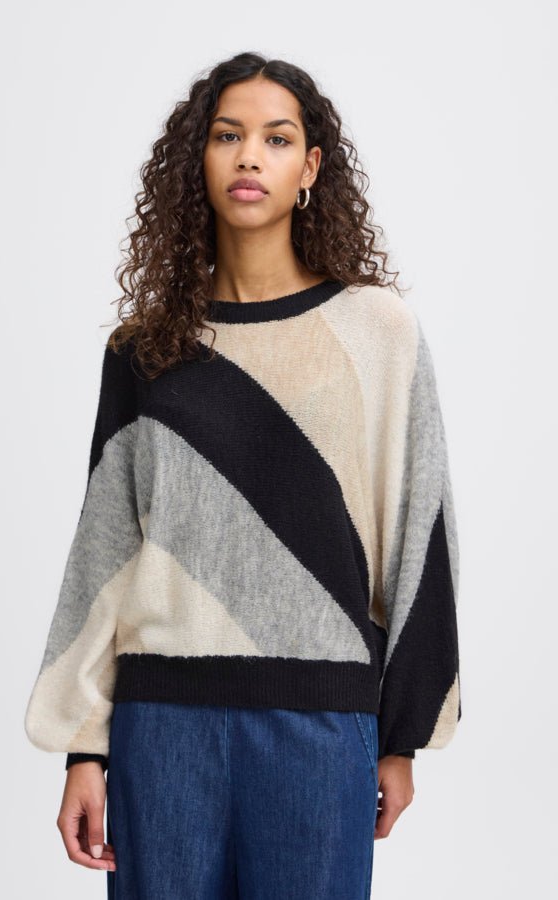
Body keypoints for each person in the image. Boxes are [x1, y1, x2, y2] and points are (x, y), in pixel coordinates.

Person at [24, 51, 462, 899]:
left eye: (277, 138)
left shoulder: (379, 333)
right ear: (198, 160)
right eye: (227, 136)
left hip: (320, 725)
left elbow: (421, 528)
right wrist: (84, 746)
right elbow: (104, 549)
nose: (250, 156)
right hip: (161, 728)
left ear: (311, 168)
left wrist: (401, 737)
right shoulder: (144, 350)